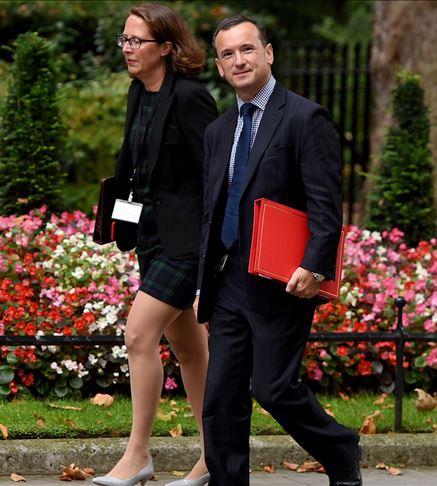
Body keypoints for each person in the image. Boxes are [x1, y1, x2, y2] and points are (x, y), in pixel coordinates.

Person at [194, 14, 362, 486]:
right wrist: (203, 282)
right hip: (227, 278)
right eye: (228, 54)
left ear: (268, 53)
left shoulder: (305, 118)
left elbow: (325, 203)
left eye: (247, 49)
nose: (239, 60)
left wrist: (315, 264)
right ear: (220, 67)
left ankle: (339, 448)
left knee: (273, 388)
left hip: (281, 278)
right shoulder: (218, 131)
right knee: (220, 398)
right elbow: (212, 211)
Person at [93, 4, 217, 486]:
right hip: (150, 237)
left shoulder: (190, 98)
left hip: (185, 243)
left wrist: (213, 249)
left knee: (138, 335)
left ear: (165, 47)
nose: (127, 49)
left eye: (136, 41)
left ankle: (138, 455)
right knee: (189, 348)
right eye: (124, 40)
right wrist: (119, 220)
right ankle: (215, 455)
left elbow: (214, 176)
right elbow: (134, 167)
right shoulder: (138, 92)